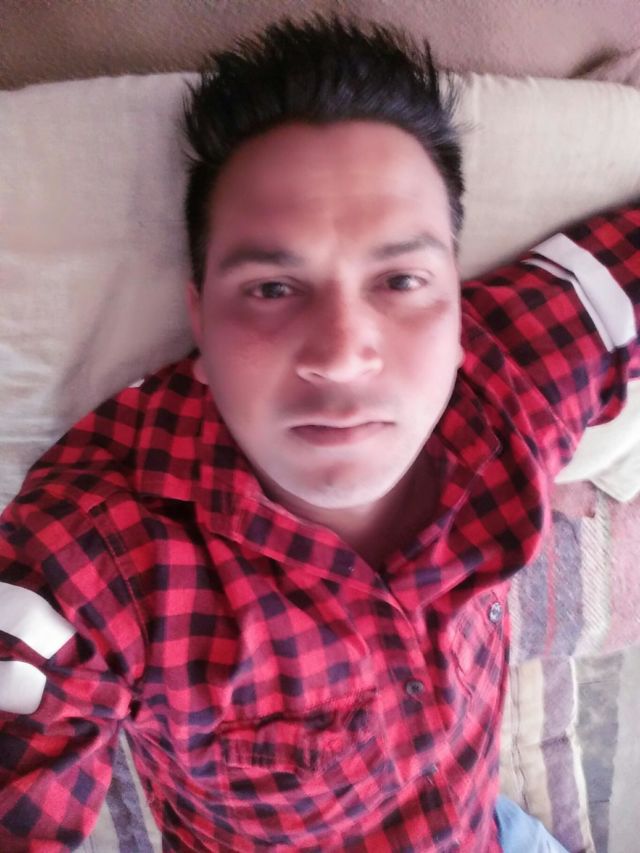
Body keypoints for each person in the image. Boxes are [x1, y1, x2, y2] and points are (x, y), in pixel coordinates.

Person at [0, 14, 638, 853]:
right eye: (272, 288)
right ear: (199, 319)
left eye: (400, 280)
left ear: (456, 307)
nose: (341, 355)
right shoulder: (93, 556)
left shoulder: (503, 389)